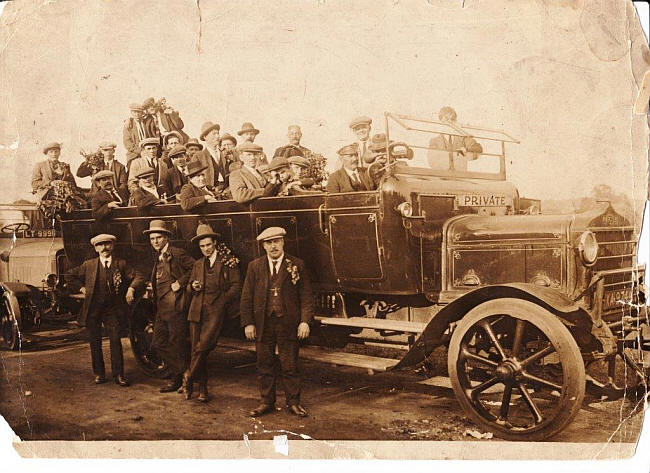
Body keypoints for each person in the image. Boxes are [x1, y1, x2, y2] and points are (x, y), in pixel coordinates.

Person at [241, 226, 313, 417]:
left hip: (288, 323)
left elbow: (306, 296)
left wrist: (305, 321)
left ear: (283, 242)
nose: (273, 246)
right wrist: (248, 323)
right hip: (263, 324)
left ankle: (293, 402)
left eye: (276, 242)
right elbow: (246, 297)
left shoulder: (297, 264)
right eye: (268, 243)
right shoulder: (254, 267)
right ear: (263, 246)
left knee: (289, 364)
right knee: (264, 364)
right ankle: (266, 402)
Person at [66, 234, 143, 386]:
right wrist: (81, 288)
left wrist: (131, 289)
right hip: (93, 309)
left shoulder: (120, 264)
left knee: (115, 341)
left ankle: (119, 375)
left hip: (112, 309)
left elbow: (139, 276)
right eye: (100, 245)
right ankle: (99, 374)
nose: (104, 248)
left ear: (112, 246)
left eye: (107, 244)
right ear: (96, 249)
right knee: (95, 342)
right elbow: (69, 275)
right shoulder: (89, 265)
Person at [182, 223, 241, 402]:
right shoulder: (198, 264)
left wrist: (222, 300)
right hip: (196, 311)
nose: (206, 249)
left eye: (208, 244)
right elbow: (188, 287)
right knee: (196, 350)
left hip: (215, 311)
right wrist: (192, 286)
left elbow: (237, 286)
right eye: (202, 246)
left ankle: (188, 377)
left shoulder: (227, 261)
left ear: (214, 243)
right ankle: (203, 389)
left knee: (204, 346)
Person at [144, 220, 195, 393]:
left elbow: (196, 268)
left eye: (159, 238)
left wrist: (180, 283)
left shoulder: (177, 253)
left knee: (177, 343)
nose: (155, 242)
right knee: (158, 343)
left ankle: (177, 380)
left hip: (176, 307)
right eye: (152, 239)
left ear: (166, 237)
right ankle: (184, 372)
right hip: (162, 308)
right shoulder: (157, 257)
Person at [427, 106, 483, 171]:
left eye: (453, 119)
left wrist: (466, 150)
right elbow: (431, 161)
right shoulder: (434, 141)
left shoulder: (463, 138)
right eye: (446, 120)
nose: (450, 123)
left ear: (456, 121)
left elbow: (478, 148)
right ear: (441, 122)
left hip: (460, 177)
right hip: (441, 177)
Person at [199, 121, 232, 191]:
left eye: (218, 133)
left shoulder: (225, 154)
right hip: (210, 193)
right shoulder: (199, 156)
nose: (217, 136)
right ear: (205, 137)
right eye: (214, 134)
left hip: (227, 191)